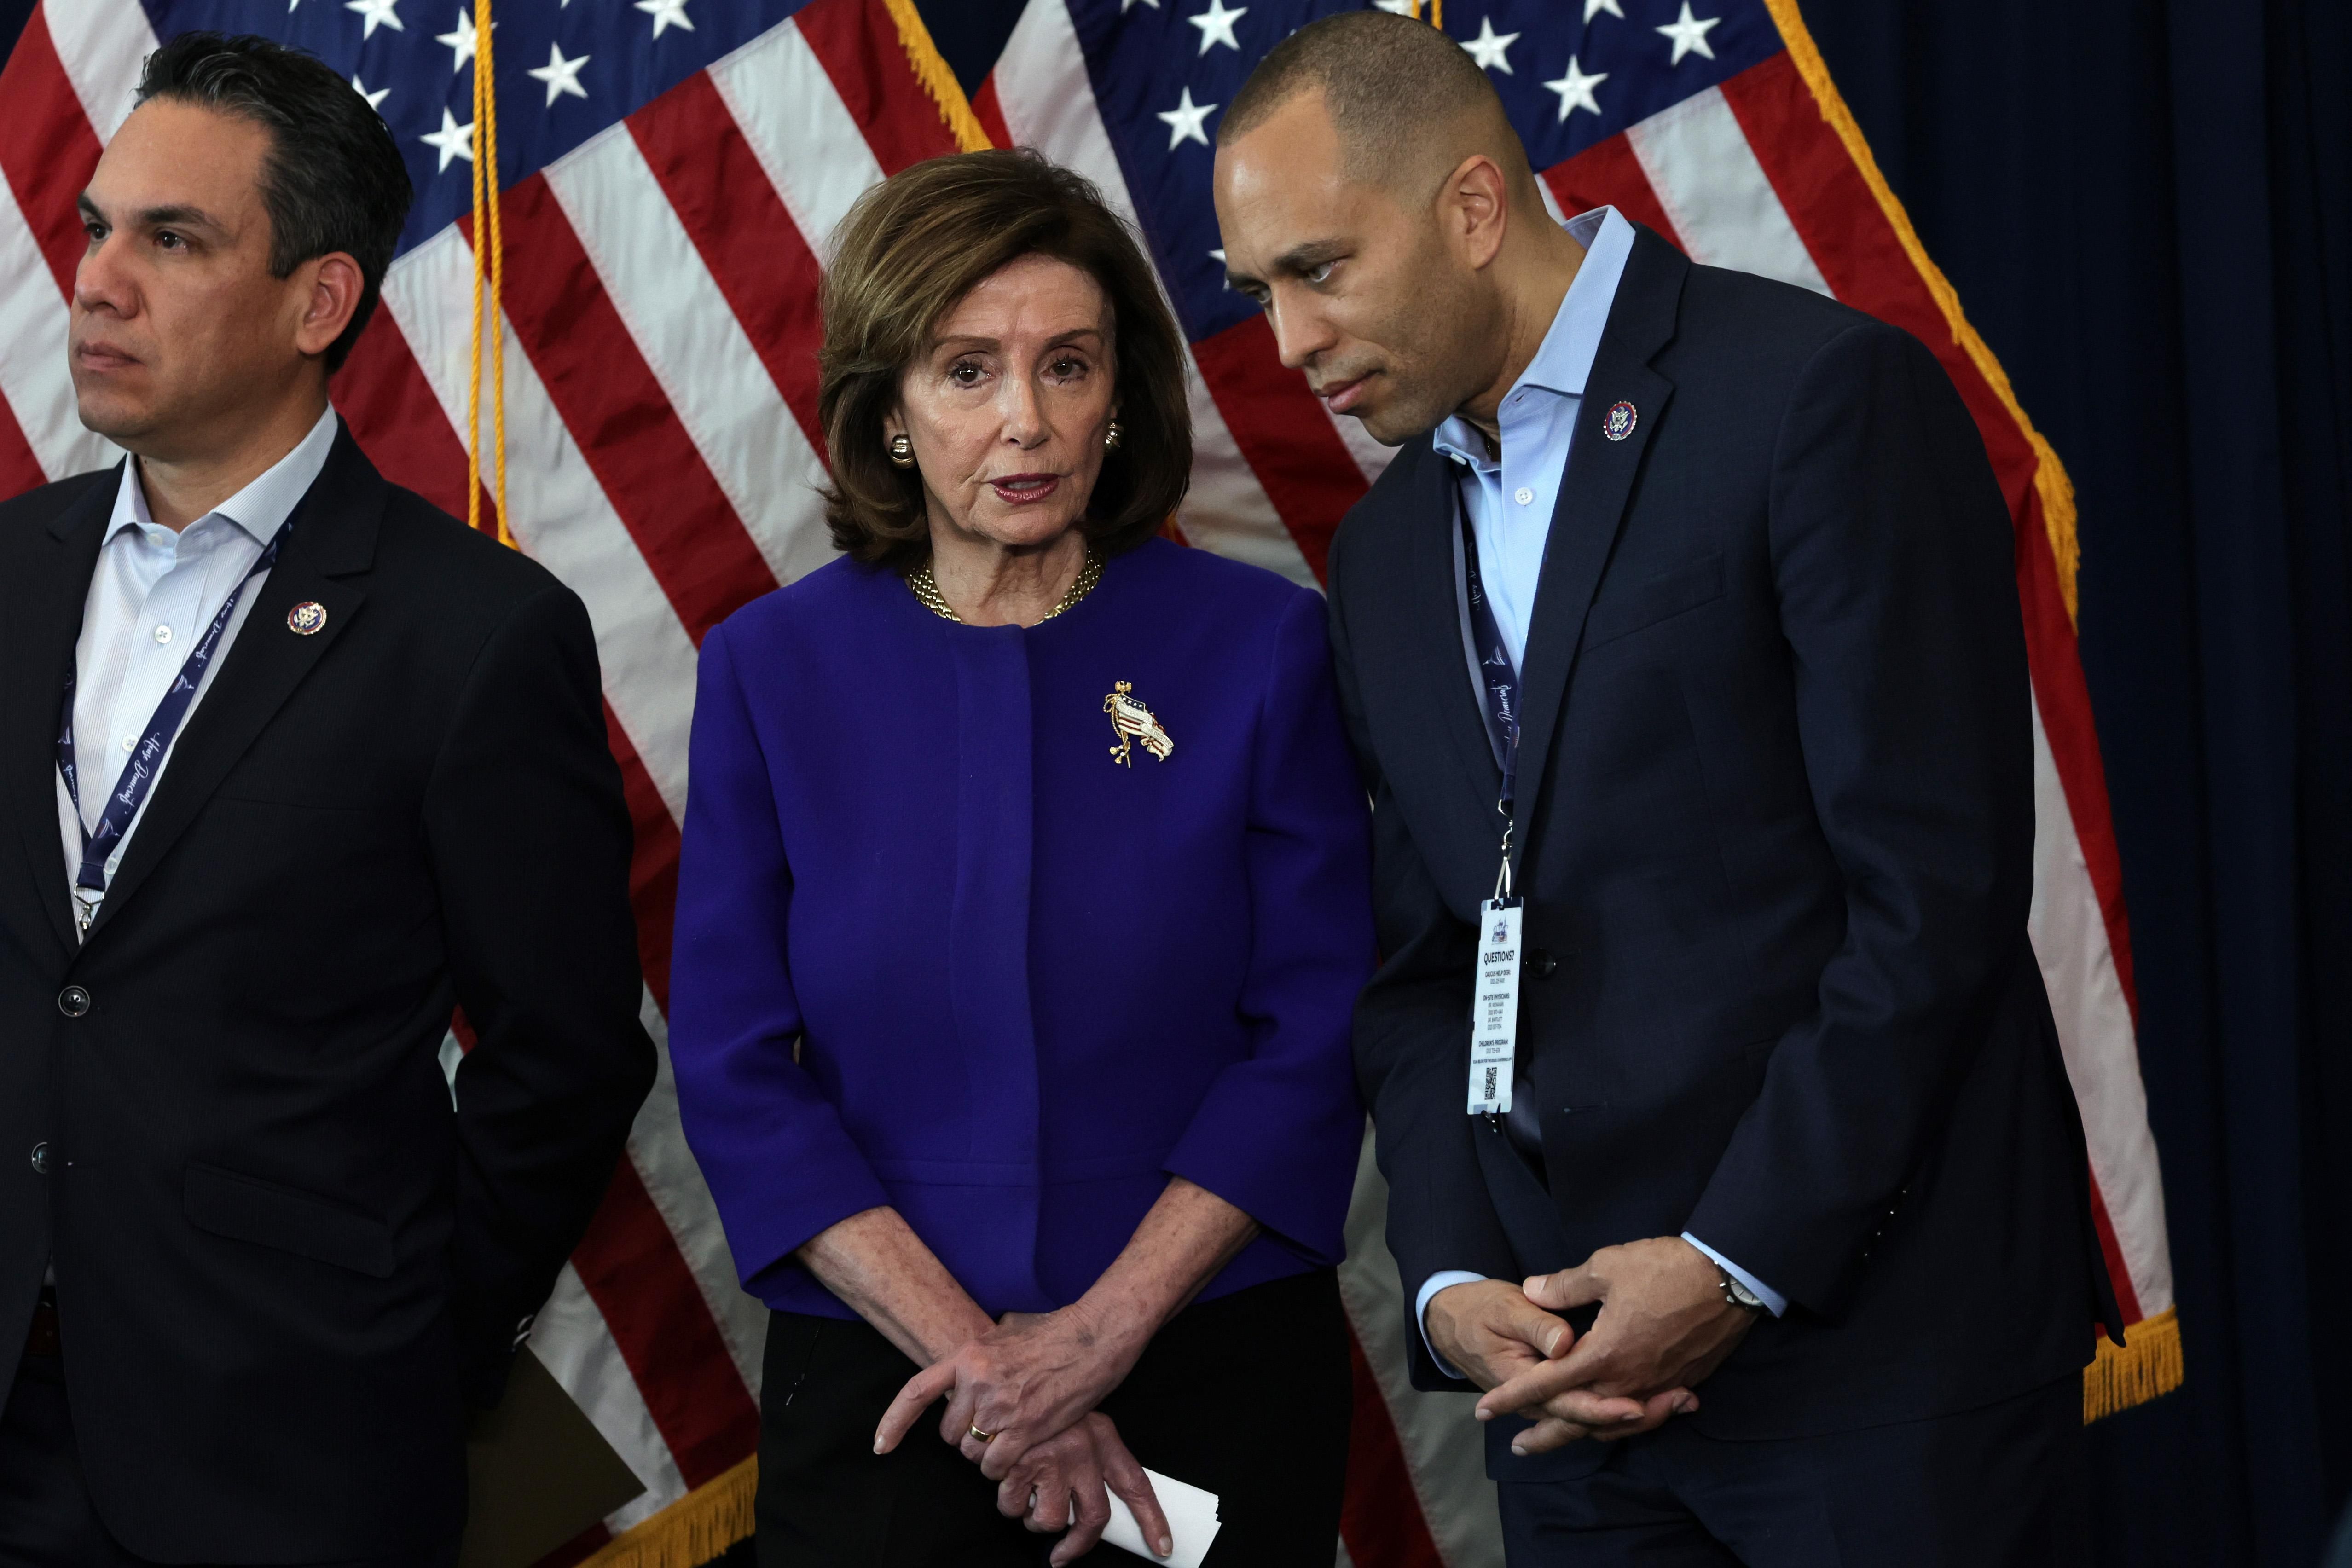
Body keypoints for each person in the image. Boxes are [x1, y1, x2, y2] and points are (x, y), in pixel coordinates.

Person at [1211, 13, 2120, 1565]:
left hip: (1879, 1372)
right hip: (1571, 1403)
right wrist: (1451, 1286)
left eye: (1319, 269)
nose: (1288, 341)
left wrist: (1730, 1262)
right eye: (1260, 292)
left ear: (1476, 209)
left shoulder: (1820, 400)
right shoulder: (1373, 562)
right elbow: (1426, 975)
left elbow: (1933, 906)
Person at [0, 33, 655, 1567]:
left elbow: (563, 1056)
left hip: (282, 1449)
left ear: (321, 300)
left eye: (173, 239)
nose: (97, 278)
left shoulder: (477, 635)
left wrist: (402, 1334)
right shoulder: (8, 573)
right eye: (99, 227)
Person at [668, 147, 1371, 1568]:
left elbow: (1316, 1030)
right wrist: (994, 1368)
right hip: (888, 1381)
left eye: (1069, 364)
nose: (1027, 422)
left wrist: (1098, 1339)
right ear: (889, 412)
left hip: (1208, 1356)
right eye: (968, 371)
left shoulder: (1260, 647)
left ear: (1121, 395)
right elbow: (736, 1070)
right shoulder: (769, 671)